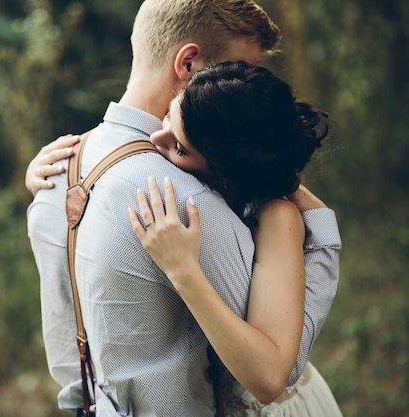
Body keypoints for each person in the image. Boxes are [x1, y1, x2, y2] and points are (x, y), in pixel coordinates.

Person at [26, 1, 340, 416]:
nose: (244, 84)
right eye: (239, 67)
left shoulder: (56, 174)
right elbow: (281, 365)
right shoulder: (184, 205)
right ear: (189, 64)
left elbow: (271, 363)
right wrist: (322, 230)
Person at [127, 61, 343, 416]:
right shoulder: (215, 159)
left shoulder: (277, 218)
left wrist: (182, 269)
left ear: (225, 171)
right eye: (167, 115)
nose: (155, 138)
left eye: (179, 147)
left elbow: (269, 379)